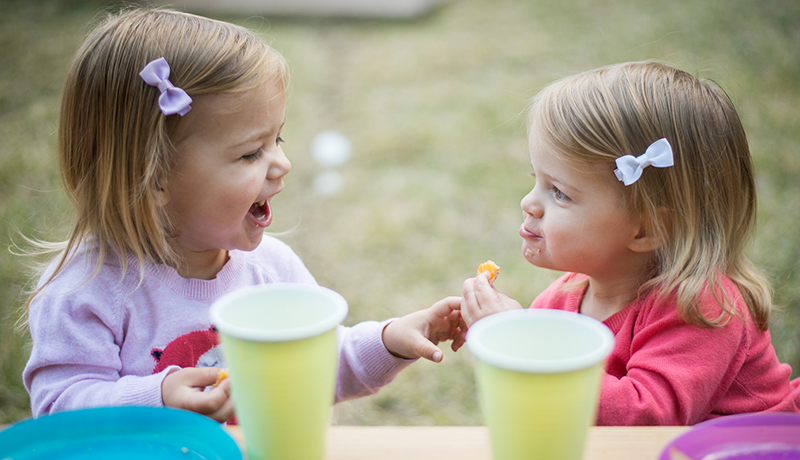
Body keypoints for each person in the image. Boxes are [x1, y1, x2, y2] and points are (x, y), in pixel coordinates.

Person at [22, 8, 465, 423]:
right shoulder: (86, 291)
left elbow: (317, 365)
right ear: (152, 177)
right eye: (252, 152)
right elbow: (59, 407)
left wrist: (389, 341)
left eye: (279, 140)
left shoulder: (271, 269)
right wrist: (158, 396)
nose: (281, 164)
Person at [459, 61, 800, 425]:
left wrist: (524, 343)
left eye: (559, 193)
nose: (529, 203)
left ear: (647, 229)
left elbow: (646, 418)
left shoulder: (702, 308)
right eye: (536, 181)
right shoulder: (557, 304)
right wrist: (501, 345)